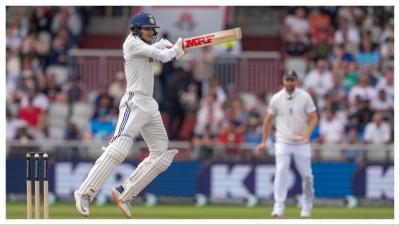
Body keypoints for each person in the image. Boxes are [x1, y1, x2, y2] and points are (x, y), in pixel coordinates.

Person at [74, 11, 186, 218]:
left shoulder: (146, 44)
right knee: (119, 149)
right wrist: (174, 50)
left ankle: (125, 193)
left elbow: (160, 50)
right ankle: (84, 194)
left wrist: (170, 47)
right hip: (134, 102)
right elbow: (163, 56)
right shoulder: (132, 43)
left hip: (150, 104)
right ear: (135, 29)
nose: (150, 33)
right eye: (147, 29)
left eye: (152, 30)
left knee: (161, 154)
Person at [256, 70, 319, 218]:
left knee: (307, 175)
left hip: (301, 142)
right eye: (287, 80)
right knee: (281, 171)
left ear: (296, 81)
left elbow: (314, 117)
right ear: (283, 81)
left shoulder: (305, 97)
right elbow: (267, 121)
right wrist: (264, 141)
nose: (290, 83)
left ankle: (307, 205)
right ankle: (278, 206)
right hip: (283, 140)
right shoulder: (276, 98)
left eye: (292, 80)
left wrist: (307, 135)